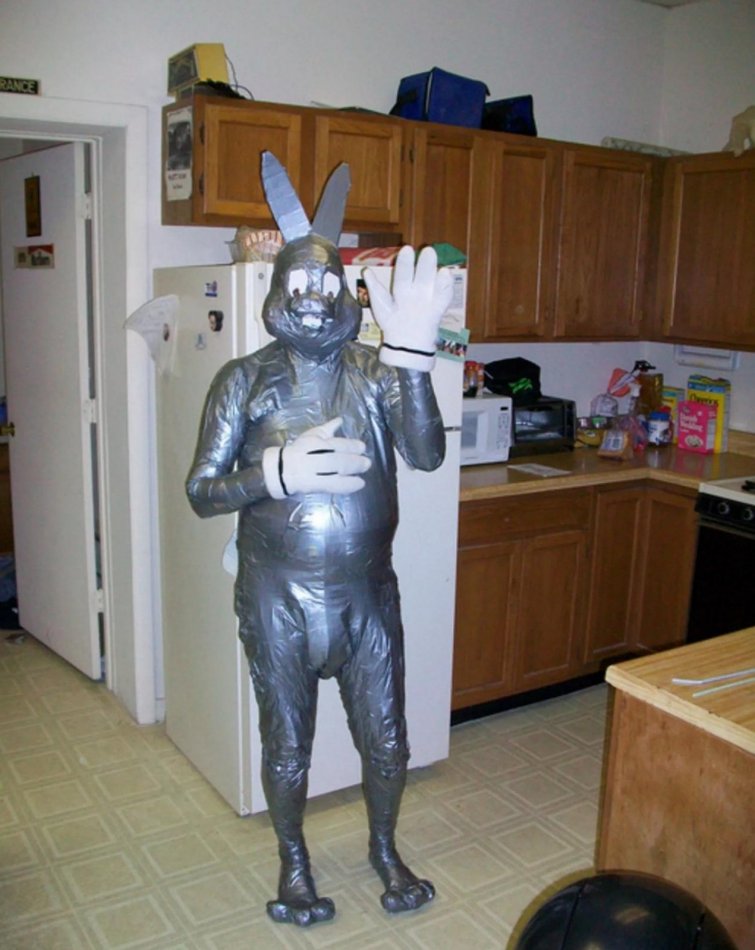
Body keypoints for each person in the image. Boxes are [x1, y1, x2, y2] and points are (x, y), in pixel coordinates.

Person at [186, 155, 451, 928]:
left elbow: (427, 454)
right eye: (299, 280)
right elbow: (202, 492)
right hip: (277, 594)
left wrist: (412, 357)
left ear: (345, 292)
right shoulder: (242, 379)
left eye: (328, 281)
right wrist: (275, 472)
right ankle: (294, 865)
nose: (314, 294)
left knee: (388, 741)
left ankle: (385, 851)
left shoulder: (375, 369)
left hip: (369, 591)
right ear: (278, 289)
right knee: (286, 744)